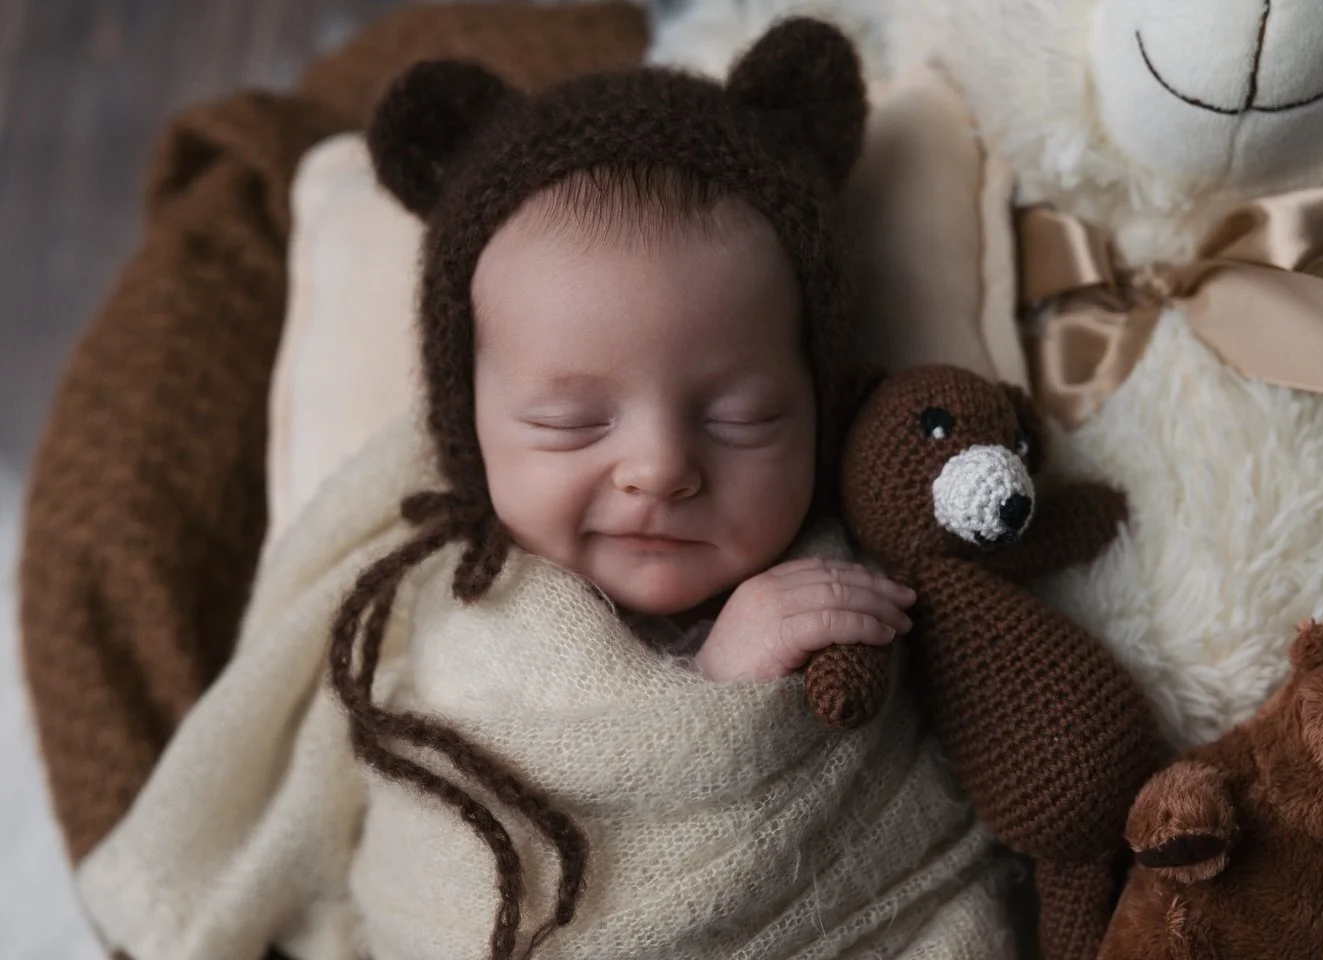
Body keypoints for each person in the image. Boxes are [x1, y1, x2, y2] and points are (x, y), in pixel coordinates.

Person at [77, 20, 1020, 960]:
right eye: (572, 423)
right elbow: (435, 882)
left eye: (740, 419)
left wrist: (766, 691)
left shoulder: (860, 572)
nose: (658, 469)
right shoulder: (451, 621)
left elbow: (933, 837)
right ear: (470, 430)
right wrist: (715, 687)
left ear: (816, 403)